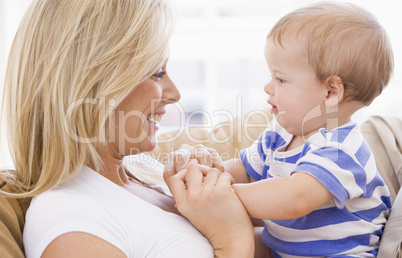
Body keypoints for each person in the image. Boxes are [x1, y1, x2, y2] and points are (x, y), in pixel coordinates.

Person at [0, 0, 257, 257]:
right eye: (156, 72)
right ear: (94, 83)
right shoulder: (70, 223)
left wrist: (215, 190)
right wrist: (234, 241)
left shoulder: (144, 173)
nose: (175, 94)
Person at [169, 2, 394, 257]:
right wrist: (212, 173)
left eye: (281, 79)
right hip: (282, 249)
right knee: (203, 240)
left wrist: (222, 196)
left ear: (331, 92)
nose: (268, 87)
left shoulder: (344, 149)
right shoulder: (280, 132)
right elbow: (246, 171)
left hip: (340, 254)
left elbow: (295, 197)